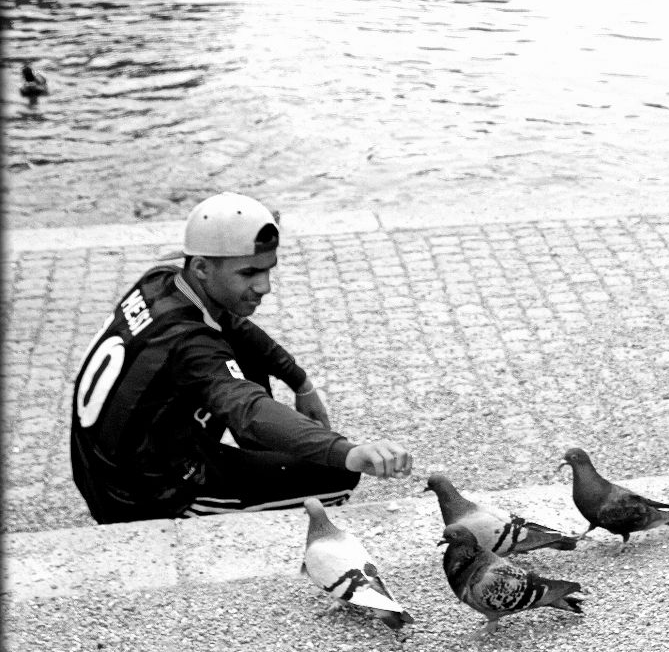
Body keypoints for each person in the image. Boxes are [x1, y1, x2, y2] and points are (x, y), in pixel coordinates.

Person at [69, 191, 413, 524]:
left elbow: (233, 326)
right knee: (335, 475)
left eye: (268, 270)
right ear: (202, 267)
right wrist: (347, 452)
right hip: (143, 497)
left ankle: (260, 457)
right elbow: (248, 410)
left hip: (103, 465)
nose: (265, 286)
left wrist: (299, 380)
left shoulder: (160, 279)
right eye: (249, 273)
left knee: (243, 355)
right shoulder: (192, 347)